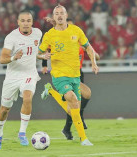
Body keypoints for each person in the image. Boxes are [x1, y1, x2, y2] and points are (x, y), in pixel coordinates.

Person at [38, 5, 99, 146]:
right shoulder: (49, 35)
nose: (59, 15)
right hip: (59, 75)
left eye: (62, 13)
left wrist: (94, 63)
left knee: (73, 109)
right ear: (54, 17)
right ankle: (84, 139)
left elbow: (89, 47)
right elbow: (38, 53)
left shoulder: (76, 31)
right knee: (71, 97)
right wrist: (43, 56)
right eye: (56, 13)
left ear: (66, 15)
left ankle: (51, 91)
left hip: (75, 76)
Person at [0, 10, 43, 149]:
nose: (26, 23)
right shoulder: (11, 37)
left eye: (28, 21)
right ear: (18, 22)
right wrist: (14, 57)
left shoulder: (38, 33)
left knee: (27, 97)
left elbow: (33, 52)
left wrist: (41, 56)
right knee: (4, 109)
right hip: (13, 76)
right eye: (23, 21)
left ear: (32, 22)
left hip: (29, 74)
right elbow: (2, 59)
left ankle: (22, 133)